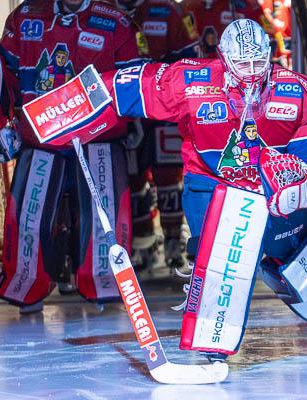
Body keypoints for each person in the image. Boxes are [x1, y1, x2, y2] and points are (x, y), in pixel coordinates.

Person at [93, 18, 307, 360]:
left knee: (288, 254)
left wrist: (306, 179)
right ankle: (212, 339)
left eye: (259, 62)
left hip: (268, 188)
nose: (252, 72)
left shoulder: (297, 88)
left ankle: (293, 255)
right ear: (224, 58)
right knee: (215, 260)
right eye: (243, 63)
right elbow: (138, 84)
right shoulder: (191, 80)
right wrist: (87, 94)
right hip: (210, 184)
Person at [0, 0, 142, 313]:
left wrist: (135, 122)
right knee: (28, 213)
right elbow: (2, 71)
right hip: (40, 136)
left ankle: (102, 283)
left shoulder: (115, 22)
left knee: (103, 216)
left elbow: (131, 79)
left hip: (97, 136)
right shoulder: (25, 15)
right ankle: (26, 284)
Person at [115, 0, 198, 282]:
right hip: (124, 113)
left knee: (169, 177)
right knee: (132, 177)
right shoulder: (103, 12)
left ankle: (174, 239)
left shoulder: (168, 10)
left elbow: (190, 60)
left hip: (165, 112)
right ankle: (142, 243)